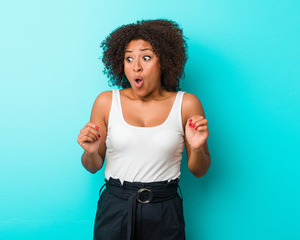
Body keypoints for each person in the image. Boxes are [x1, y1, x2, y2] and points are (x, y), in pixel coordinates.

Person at [77, 19, 211, 240]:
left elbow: (199, 170)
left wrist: (196, 149)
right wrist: (90, 152)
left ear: (164, 61)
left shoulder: (187, 104)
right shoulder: (106, 102)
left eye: (146, 58)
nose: (136, 66)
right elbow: (92, 167)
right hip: (115, 207)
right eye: (129, 58)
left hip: (164, 210)